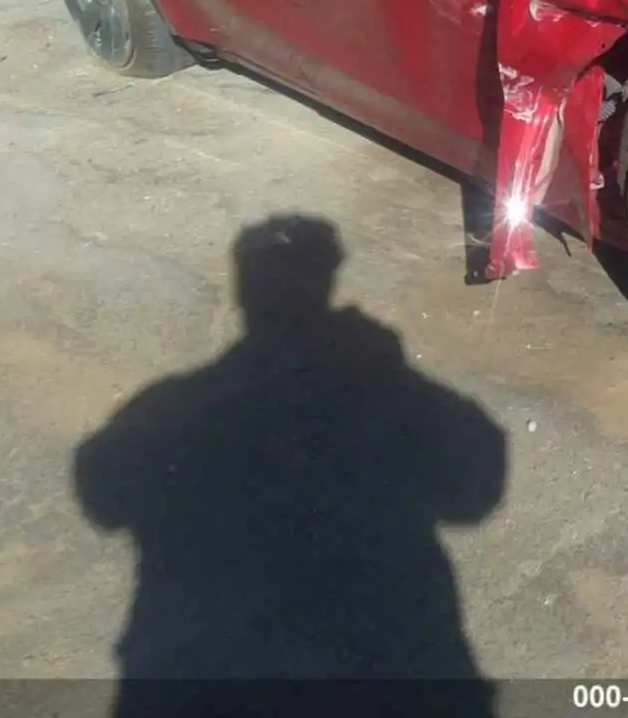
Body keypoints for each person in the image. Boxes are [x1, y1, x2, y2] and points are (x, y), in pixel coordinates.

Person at [75, 216, 507, 714]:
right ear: (328, 280)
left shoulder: (177, 403)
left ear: (242, 295)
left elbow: (100, 491)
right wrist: (393, 376)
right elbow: (480, 483)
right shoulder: (375, 386)